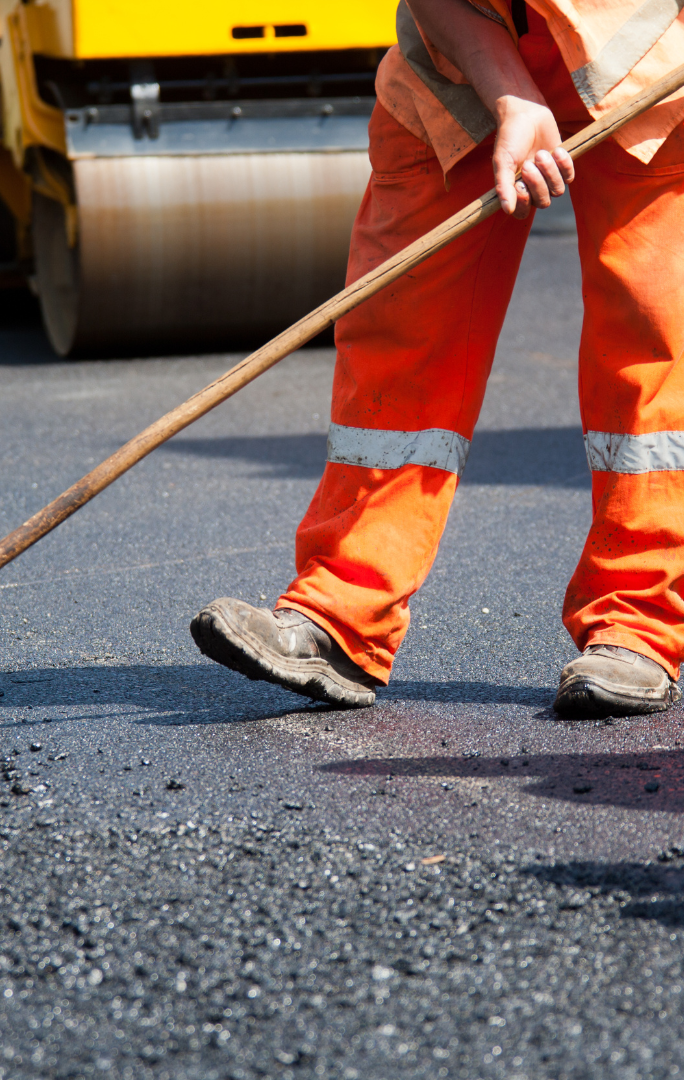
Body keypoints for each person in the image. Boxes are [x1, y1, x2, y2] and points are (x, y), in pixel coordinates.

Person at [191, 0, 684, 718]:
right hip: (453, 72)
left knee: (650, 341)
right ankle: (341, 615)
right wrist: (510, 95)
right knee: (398, 333)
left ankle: (638, 623)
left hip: (640, 68)